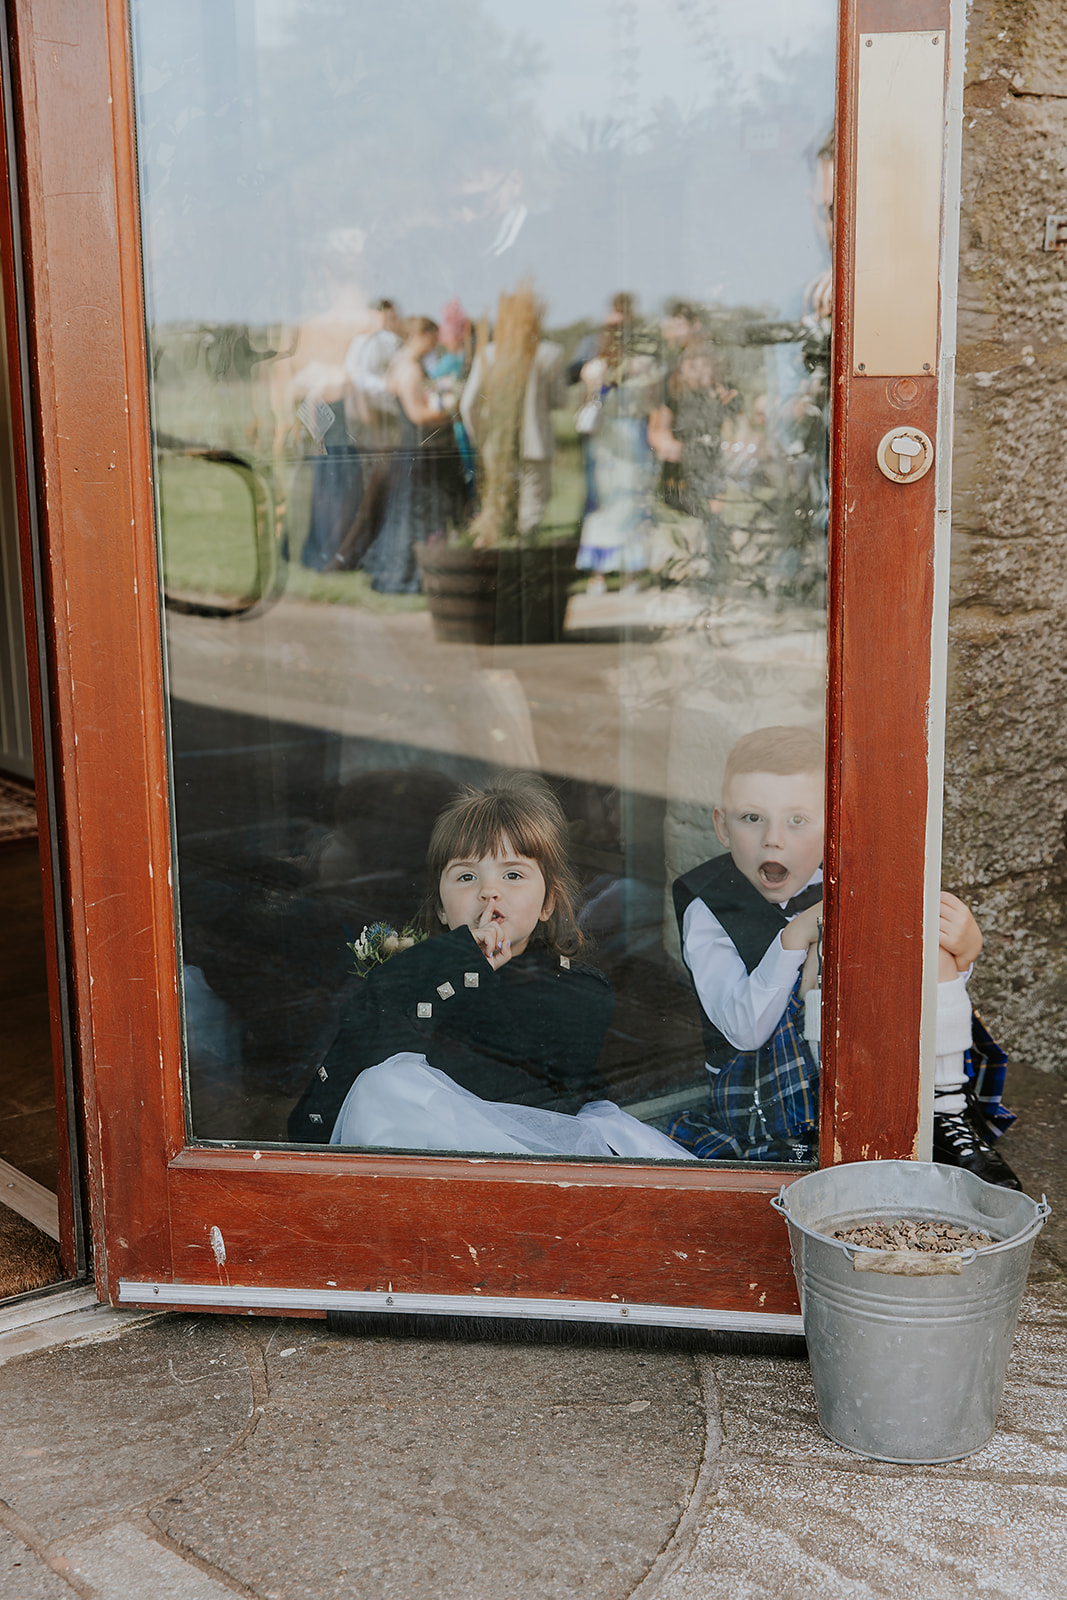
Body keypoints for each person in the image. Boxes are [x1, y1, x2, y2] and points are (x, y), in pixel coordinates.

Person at [668, 725, 1020, 1186]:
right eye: (752, 818)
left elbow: (907, 984)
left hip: (855, 1061)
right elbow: (742, 1030)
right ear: (721, 825)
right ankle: (829, 1125)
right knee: (823, 948)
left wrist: (964, 953)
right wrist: (794, 938)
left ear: (833, 822)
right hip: (764, 1090)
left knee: (912, 928)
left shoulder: (845, 874)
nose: (773, 840)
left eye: (797, 820)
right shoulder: (706, 906)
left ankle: (945, 1115)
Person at [288, 772, 692, 1159]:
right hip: (426, 1176)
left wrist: (468, 971)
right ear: (441, 910)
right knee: (384, 1085)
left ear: (548, 902)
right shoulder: (416, 976)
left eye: (513, 874)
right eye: (466, 877)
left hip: (525, 1173)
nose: (489, 892)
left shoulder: (579, 988)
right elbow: (328, 1102)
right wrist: (453, 961)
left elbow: (529, 1085)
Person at [362, 315, 467, 594]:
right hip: (419, 447)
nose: (433, 346)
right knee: (418, 513)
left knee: (408, 512)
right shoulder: (409, 370)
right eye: (432, 340)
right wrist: (449, 410)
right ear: (421, 337)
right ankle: (412, 576)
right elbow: (417, 414)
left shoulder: (399, 364)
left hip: (409, 446)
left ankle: (411, 571)